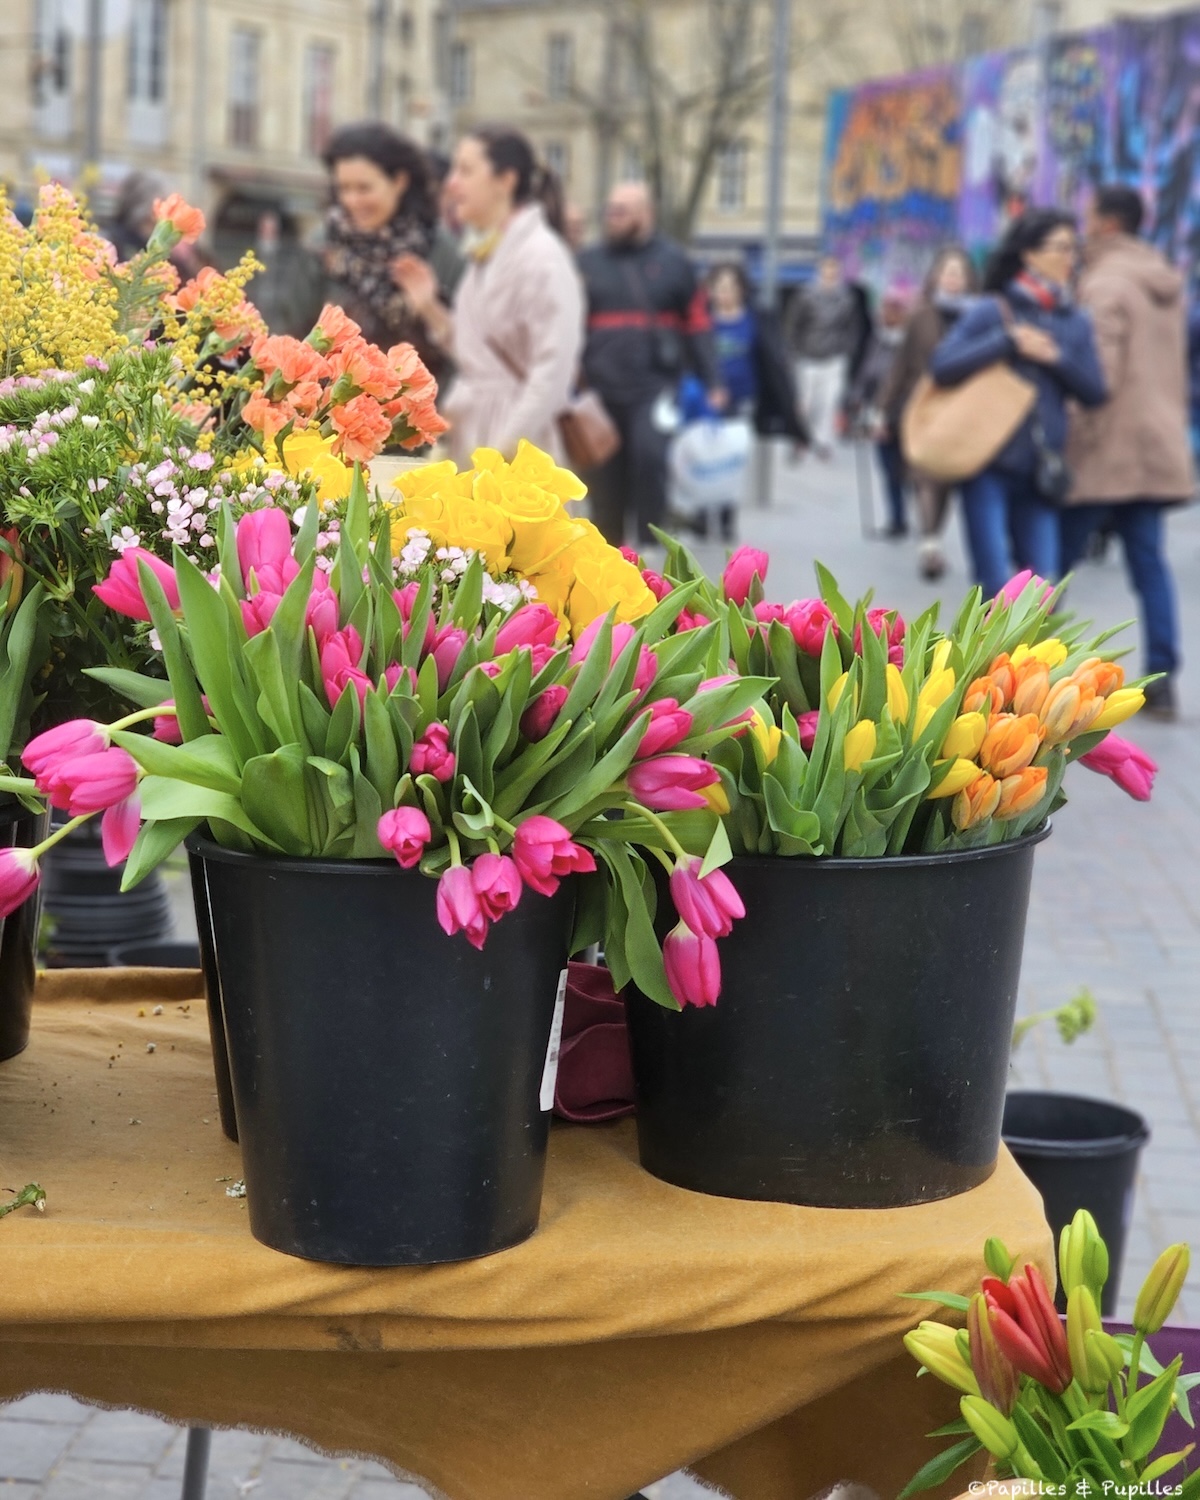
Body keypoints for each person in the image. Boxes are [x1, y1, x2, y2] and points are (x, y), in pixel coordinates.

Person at [1063, 185, 1193, 720]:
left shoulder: (1106, 284)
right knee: (1149, 563)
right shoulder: (1162, 279)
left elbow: (1100, 375)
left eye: (1089, 216)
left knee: (1056, 565)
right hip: (1158, 443)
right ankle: (1162, 681)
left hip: (1108, 446)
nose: (1084, 225)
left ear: (1108, 224)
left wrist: (1068, 432)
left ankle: (1021, 674)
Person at [930, 209, 1107, 597]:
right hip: (987, 464)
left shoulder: (1074, 320)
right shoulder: (993, 310)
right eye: (1061, 247)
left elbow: (1095, 391)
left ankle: (1030, 661)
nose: (1071, 257)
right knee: (995, 588)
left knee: (1043, 594)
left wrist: (1055, 357)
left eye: (1074, 248)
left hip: (1042, 471)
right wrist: (1007, 342)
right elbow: (942, 365)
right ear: (1029, 254)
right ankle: (988, 660)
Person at [393, 125, 583, 464]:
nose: (451, 183)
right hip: (479, 433)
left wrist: (502, 451)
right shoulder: (490, 251)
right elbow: (479, 352)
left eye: (465, 170)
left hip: (517, 444)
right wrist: (430, 307)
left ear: (505, 180)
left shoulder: (542, 257)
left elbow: (553, 374)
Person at [577, 182, 723, 545]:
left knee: (649, 460)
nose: (612, 217)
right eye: (609, 210)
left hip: (655, 388)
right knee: (602, 477)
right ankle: (607, 557)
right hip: (600, 390)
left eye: (622, 210)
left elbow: (699, 325)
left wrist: (714, 381)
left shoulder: (676, 262)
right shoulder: (587, 263)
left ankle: (651, 549)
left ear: (645, 214)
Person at [319, 122, 462, 376]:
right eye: (344, 188)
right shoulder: (320, 247)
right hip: (327, 408)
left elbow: (470, 358)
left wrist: (430, 309)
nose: (352, 201)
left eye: (364, 188)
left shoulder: (440, 250)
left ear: (399, 182)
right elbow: (289, 337)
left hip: (417, 408)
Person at [880, 246, 978, 579]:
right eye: (948, 271)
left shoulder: (976, 316)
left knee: (945, 478)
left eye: (959, 273)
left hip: (962, 410)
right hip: (922, 407)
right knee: (925, 475)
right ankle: (929, 543)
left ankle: (932, 536)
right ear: (936, 276)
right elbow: (900, 364)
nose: (953, 279)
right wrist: (882, 408)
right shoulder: (921, 315)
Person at [706, 262, 807, 442]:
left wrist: (791, 398)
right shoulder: (702, 323)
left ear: (741, 290)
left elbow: (776, 361)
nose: (726, 293)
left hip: (747, 398)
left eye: (731, 288)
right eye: (720, 288)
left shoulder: (757, 319)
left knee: (737, 445)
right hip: (711, 398)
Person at [783, 255, 867, 458]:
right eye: (826, 270)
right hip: (808, 356)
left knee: (829, 401)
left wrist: (847, 351)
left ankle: (823, 442)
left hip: (834, 357)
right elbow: (793, 326)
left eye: (834, 271)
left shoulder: (846, 298)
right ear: (819, 271)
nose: (830, 274)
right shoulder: (805, 296)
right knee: (806, 402)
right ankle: (801, 438)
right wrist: (794, 352)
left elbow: (852, 328)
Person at [847, 290, 909, 538]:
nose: (888, 315)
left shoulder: (908, 343)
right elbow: (866, 373)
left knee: (906, 470)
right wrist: (855, 399)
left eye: (894, 310)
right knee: (888, 469)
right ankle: (897, 518)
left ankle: (917, 517)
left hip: (906, 415)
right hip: (879, 416)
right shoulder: (878, 340)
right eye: (886, 309)